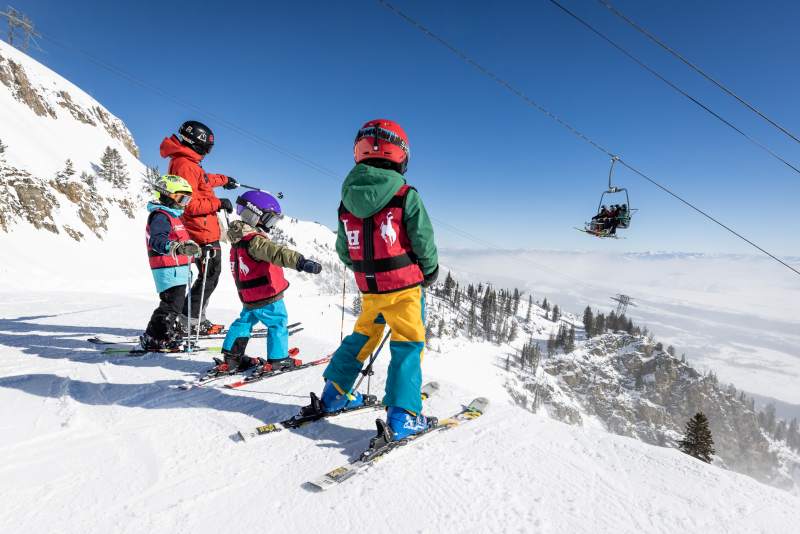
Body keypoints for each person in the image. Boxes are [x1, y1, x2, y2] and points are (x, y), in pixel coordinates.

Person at [308, 118, 439, 442]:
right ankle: (403, 415)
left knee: (363, 335)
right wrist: (430, 269)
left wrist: (368, 269)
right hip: (404, 287)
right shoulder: (406, 194)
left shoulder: (346, 201)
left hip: (370, 287)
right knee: (408, 344)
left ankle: (333, 394)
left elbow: (343, 248)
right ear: (402, 154)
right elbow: (422, 239)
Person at [215, 190, 323, 373]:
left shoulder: (238, 238)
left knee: (244, 322)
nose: (270, 226)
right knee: (277, 322)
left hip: (249, 295)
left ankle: (232, 358)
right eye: (269, 219)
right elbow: (277, 253)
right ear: (254, 215)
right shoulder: (256, 241)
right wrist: (301, 262)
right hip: (266, 294)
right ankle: (278, 359)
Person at [159, 120, 239, 335]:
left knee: (209, 277)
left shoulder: (188, 162)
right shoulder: (184, 164)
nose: (207, 152)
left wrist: (224, 180)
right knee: (209, 277)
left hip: (203, 229)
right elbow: (188, 204)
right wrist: (219, 203)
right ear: (196, 143)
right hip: (200, 232)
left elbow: (202, 180)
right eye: (206, 148)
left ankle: (193, 318)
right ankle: (190, 321)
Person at [141, 175, 202, 351]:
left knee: (175, 304)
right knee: (171, 304)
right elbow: (157, 241)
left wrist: (195, 250)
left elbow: (183, 243)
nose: (184, 203)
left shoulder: (173, 217)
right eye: (182, 198)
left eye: (187, 199)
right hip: (167, 269)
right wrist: (177, 248)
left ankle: (164, 331)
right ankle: (154, 336)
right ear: (167, 195)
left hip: (178, 270)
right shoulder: (160, 216)